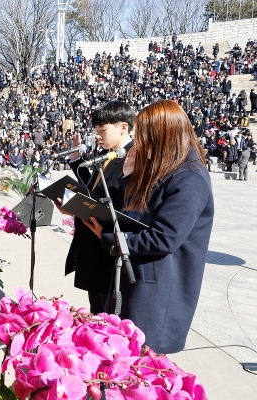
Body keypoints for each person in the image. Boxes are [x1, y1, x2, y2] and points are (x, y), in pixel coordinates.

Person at [83, 100, 214, 354]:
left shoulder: (189, 177)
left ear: (165, 136)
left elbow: (165, 238)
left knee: (142, 366)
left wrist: (110, 238)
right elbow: (132, 214)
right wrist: (129, 177)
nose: (139, 145)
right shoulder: (164, 167)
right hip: (137, 277)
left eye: (145, 138)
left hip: (158, 289)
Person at [56, 101, 135, 314]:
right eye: (96, 131)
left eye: (103, 130)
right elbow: (97, 189)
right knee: (96, 311)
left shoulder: (133, 157)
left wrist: (78, 207)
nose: (98, 136)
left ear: (123, 127)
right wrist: (76, 161)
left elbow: (118, 201)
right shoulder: (109, 155)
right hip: (93, 250)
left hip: (108, 252)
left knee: (107, 317)